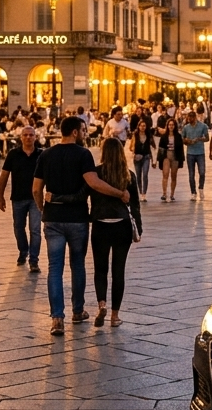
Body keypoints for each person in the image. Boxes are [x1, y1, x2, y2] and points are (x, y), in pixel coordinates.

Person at [32, 116, 130, 337]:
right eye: (84, 130)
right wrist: (120, 193)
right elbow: (94, 183)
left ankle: (57, 319)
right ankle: (77, 311)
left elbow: (37, 189)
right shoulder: (83, 154)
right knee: (77, 265)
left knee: (55, 268)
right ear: (75, 132)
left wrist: (42, 209)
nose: (86, 134)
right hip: (77, 219)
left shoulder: (46, 154)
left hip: (53, 219)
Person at [89, 138, 141, 329]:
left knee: (100, 269)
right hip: (122, 226)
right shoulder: (128, 175)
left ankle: (101, 304)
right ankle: (114, 316)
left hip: (101, 225)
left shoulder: (96, 173)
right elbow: (135, 206)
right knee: (118, 271)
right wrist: (139, 229)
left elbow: (84, 195)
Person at [0, 126, 42, 271]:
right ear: (21, 137)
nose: (28, 137)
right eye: (26, 135)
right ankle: (23, 251)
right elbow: (4, 175)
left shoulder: (41, 155)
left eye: (31, 135)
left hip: (36, 198)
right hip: (18, 198)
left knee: (35, 229)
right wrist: (0, 196)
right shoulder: (13, 154)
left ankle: (34, 259)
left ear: (35, 137)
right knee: (18, 227)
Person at [181, 109, 210, 201]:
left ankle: (201, 188)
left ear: (195, 117)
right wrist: (187, 141)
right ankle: (193, 192)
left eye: (191, 117)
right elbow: (182, 139)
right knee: (191, 174)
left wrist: (199, 139)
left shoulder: (203, 126)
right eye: (188, 117)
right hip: (190, 153)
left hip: (200, 152)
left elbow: (207, 138)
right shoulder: (186, 127)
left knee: (202, 172)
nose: (189, 119)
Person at [157, 117, 184, 201]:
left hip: (175, 156)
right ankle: (164, 193)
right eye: (169, 125)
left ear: (175, 126)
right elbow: (160, 148)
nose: (171, 126)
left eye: (172, 125)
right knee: (165, 174)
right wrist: (159, 159)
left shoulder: (178, 136)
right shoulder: (164, 136)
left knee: (173, 175)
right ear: (167, 126)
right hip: (166, 155)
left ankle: (172, 194)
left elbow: (181, 148)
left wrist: (181, 159)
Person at [128, 119, 153, 203]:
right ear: (138, 126)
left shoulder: (149, 135)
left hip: (146, 156)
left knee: (145, 174)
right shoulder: (135, 135)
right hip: (137, 157)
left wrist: (153, 160)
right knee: (138, 175)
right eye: (141, 126)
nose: (142, 127)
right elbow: (131, 147)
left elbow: (152, 147)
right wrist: (135, 154)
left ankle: (144, 194)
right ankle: (140, 191)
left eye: (144, 126)